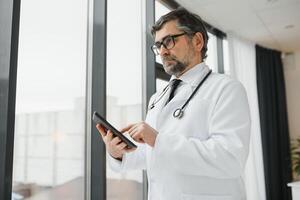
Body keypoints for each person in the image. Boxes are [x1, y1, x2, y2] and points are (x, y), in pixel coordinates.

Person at [97, 8, 251, 200]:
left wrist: (157, 139)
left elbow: (230, 159)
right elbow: (153, 156)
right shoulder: (157, 98)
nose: (162, 51)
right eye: (158, 45)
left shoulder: (226, 89)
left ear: (197, 41)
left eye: (169, 41)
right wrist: (118, 153)